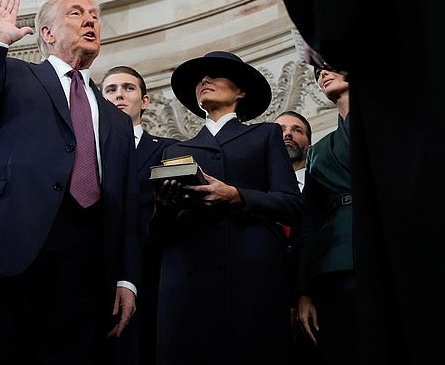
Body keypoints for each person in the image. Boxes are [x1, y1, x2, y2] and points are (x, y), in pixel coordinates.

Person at [242, 0, 445, 364]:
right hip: (340, 261)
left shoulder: (382, 110)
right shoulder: (324, 151)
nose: (325, 70)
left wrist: (326, 21)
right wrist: (304, 287)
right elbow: (311, 218)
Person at [0, 0, 141, 365]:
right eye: (76, 13)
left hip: (87, 268)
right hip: (5, 251)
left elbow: (124, 203)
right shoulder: (11, 73)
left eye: (94, 15)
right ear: (47, 33)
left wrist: (126, 278)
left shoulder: (118, 121)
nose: (91, 20)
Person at [150, 51, 303, 364]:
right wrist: (164, 208)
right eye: (200, 79)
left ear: (241, 91)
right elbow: (157, 234)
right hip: (190, 277)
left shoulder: (265, 134)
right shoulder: (176, 149)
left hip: (252, 277)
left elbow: (292, 204)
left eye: (216, 75)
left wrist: (236, 195)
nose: (204, 81)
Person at [101, 66, 177, 365]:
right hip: (95, 264)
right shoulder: (85, 151)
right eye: (110, 89)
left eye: (128, 88)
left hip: (151, 266)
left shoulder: (169, 149)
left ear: (145, 101)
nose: (119, 94)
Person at [295, 68, 354, 365]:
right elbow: (309, 226)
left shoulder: (390, 126)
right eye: (317, 72)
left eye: (330, 67)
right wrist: (304, 292)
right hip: (332, 263)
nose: (323, 74)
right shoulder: (317, 151)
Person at [274, 110, 321, 365]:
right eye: (280, 130)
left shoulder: (322, 186)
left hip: (315, 306)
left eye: (297, 130)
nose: (288, 134)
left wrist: (305, 292)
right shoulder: (253, 192)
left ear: (309, 144)